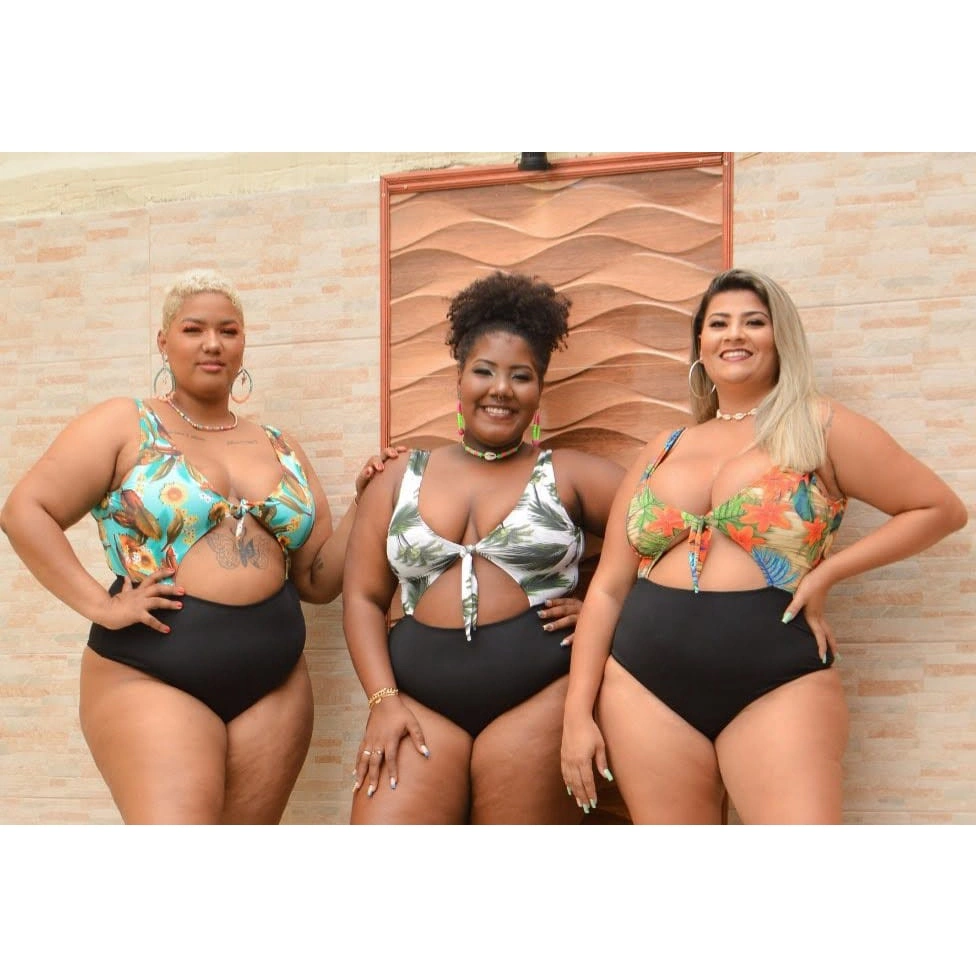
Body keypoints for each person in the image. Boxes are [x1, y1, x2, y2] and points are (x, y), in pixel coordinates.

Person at [560, 267, 968, 824]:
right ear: (700, 345)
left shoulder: (819, 426)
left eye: (754, 322)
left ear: (781, 339)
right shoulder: (664, 446)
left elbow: (938, 509)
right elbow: (608, 590)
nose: (734, 334)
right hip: (641, 686)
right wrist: (577, 714)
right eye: (718, 324)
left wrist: (826, 573)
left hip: (778, 679)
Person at [0, 269, 401, 824]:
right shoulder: (125, 423)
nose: (213, 343)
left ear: (243, 345)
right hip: (151, 671)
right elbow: (25, 511)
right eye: (194, 329)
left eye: (227, 331)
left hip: (276, 685)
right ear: (164, 341)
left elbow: (315, 581)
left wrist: (366, 500)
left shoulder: (281, 446)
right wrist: (101, 605)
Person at [342, 270, 624, 824]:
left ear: (539, 391)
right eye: (484, 371)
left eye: (522, 376)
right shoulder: (398, 474)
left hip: (539, 700)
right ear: (459, 380)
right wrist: (382, 700)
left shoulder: (570, 474)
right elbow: (361, 599)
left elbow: (671, 530)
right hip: (416, 705)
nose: (501, 389)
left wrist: (609, 608)